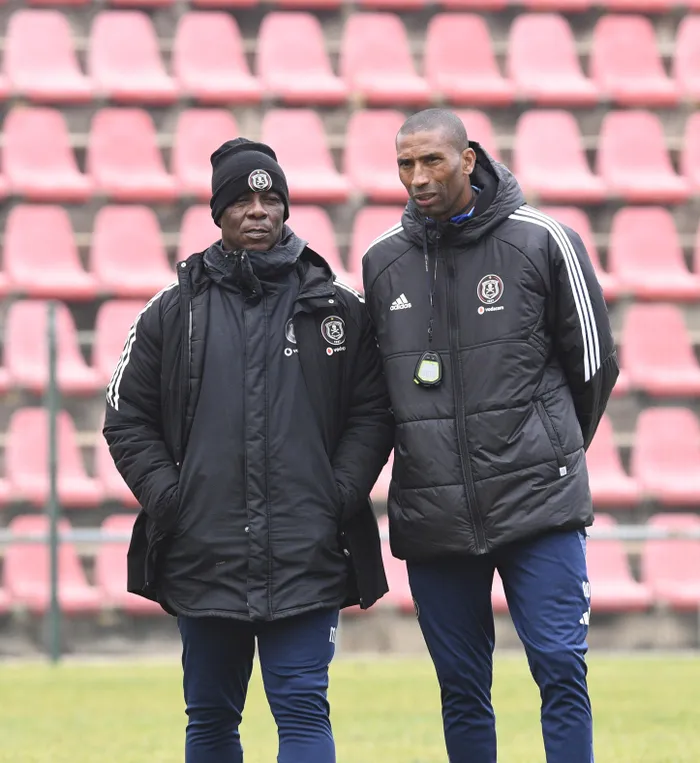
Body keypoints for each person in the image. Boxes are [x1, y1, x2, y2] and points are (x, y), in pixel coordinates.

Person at [103, 137, 394, 763]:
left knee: (303, 710)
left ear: (286, 207)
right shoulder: (172, 312)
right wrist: (173, 500)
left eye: (270, 200)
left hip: (306, 551)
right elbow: (126, 419)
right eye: (241, 200)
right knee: (210, 718)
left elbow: (374, 413)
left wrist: (338, 494)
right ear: (218, 212)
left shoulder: (337, 308)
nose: (258, 211)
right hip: (204, 554)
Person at [362, 108, 619, 763]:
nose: (419, 177)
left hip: (539, 504)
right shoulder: (383, 262)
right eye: (405, 164)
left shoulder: (543, 239)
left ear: (468, 159)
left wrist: (551, 452)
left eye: (433, 161)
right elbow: (377, 394)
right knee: (461, 686)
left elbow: (594, 365)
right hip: (435, 512)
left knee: (560, 666)